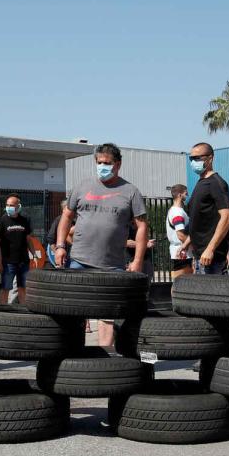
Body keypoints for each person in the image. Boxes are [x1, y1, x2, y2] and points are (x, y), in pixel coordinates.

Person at [55, 143, 147, 346]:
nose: (102, 166)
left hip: (112, 264)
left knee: (107, 314)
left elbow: (141, 227)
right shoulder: (82, 186)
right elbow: (66, 217)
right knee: (75, 311)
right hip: (79, 260)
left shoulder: (130, 191)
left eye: (107, 163)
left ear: (118, 164)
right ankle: (75, 353)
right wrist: (60, 246)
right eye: (99, 163)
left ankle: (105, 360)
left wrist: (138, 260)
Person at [185, 142, 229, 274]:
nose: (193, 162)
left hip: (212, 259)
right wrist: (187, 245)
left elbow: (227, 217)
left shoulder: (217, 183)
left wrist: (210, 249)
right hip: (200, 256)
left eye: (197, 158)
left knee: (213, 294)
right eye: (191, 158)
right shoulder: (201, 183)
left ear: (210, 158)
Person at [0, 194, 35, 304]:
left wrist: (34, 255)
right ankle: (3, 310)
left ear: (18, 206)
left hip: (23, 261)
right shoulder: (2, 221)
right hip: (8, 262)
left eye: (12, 205)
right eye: (7, 205)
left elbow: (28, 239)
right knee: (6, 288)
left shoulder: (25, 220)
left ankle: (24, 310)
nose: (9, 207)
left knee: (23, 287)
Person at [165, 184, 193, 279]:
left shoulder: (175, 210)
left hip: (181, 252)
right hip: (182, 253)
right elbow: (180, 235)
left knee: (182, 284)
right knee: (182, 284)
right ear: (180, 195)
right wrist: (192, 245)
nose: (187, 195)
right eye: (186, 193)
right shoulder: (177, 212)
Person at [47, 200, 74, 268]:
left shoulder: (75, 220)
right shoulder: (58, 220)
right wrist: (57, 253)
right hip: (64, 257)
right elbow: (50, 238)